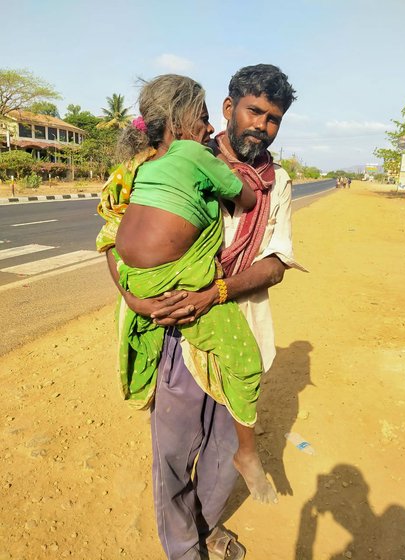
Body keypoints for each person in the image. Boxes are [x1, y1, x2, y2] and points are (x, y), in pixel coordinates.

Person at [98, 64, 302, 560]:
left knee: (220, 456)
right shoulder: (165, 157)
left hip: (237, 325)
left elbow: (276, 263)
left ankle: (207, 526)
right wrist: (132, 298)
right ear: (229, 109)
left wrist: (215, 292)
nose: (262, 125)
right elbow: (112, 237)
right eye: (255, 111)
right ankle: (183, 548)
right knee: (172, 452)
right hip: (177, 334)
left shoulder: (276, 182)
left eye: (274, 119)